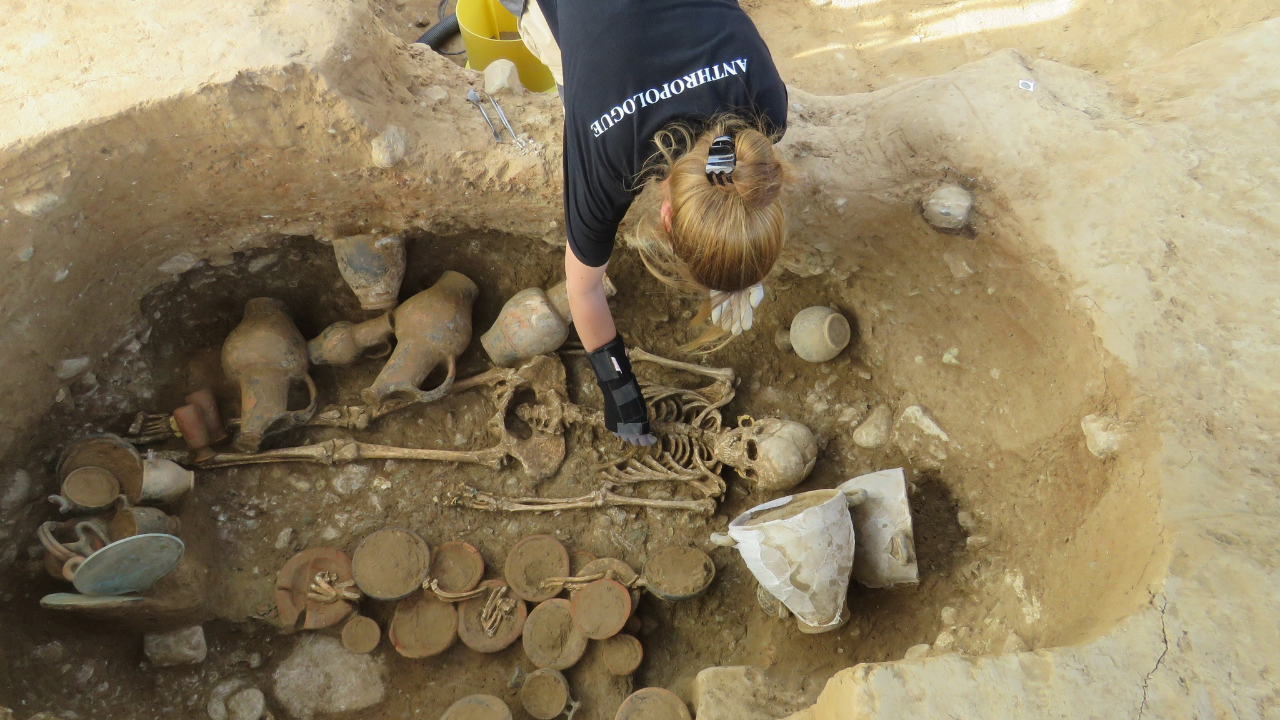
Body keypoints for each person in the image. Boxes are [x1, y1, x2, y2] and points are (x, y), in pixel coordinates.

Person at [508, 0, 791, 447]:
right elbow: (581, 288)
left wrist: (732, 257)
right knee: (570, 75)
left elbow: (730, 175)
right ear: (665, 217)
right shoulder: (608, 152)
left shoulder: (767, 106)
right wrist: (616, 386)